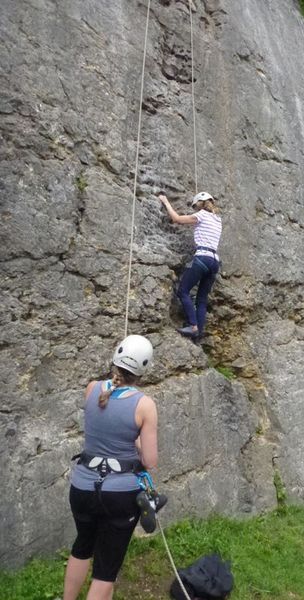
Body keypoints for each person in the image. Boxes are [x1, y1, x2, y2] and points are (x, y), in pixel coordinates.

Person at [63, 335, 160, 600]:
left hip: (82, 486)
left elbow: (103, 423)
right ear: (144, 368)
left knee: (82, 546)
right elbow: (150, 461)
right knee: (105, 570)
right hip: (119, 495)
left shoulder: (92, 388)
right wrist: (136, 440)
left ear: (116, 356)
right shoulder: (145, 405)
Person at [159, 191, 222, 340]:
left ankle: (193, 326)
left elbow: (177, 219)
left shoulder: (201, 215)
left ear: (199, 204)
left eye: (195, 206)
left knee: (183, 291)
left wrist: (165, 201)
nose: (195, 209)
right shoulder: (218, 219)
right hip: (214, 262)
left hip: (203, 258)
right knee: (201, 300)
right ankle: (198, 333)